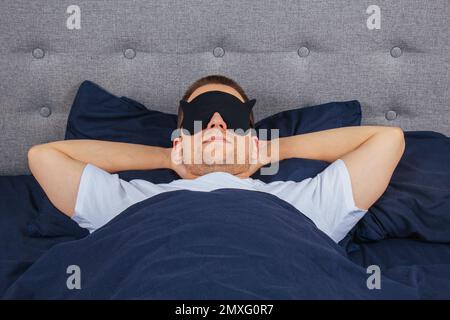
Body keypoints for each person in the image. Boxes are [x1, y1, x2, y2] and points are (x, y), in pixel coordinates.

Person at [27, 75, 405, 243]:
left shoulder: (303, 200)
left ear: (250, 133)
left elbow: (387, 140)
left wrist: (268, 152)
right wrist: (169, 159)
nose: (218, 122)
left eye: (231, 116)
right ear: (180, 135)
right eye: (203, 116)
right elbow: (45, 157)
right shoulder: (130, 199)